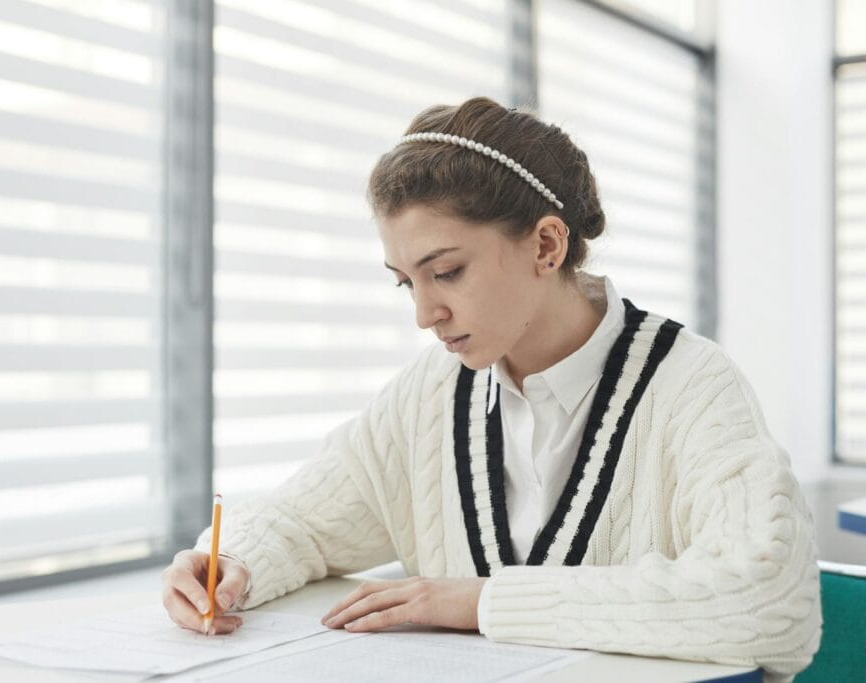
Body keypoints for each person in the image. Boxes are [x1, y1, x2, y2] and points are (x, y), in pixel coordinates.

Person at [161, 97, 821, 678]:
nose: (424, 313)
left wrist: (482, 601)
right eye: (405, 281)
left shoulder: (691, 386)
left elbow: (767, 598)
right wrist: (229, 563)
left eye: (445, 271)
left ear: (546, 245)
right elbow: (299, 519)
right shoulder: (431, 393)